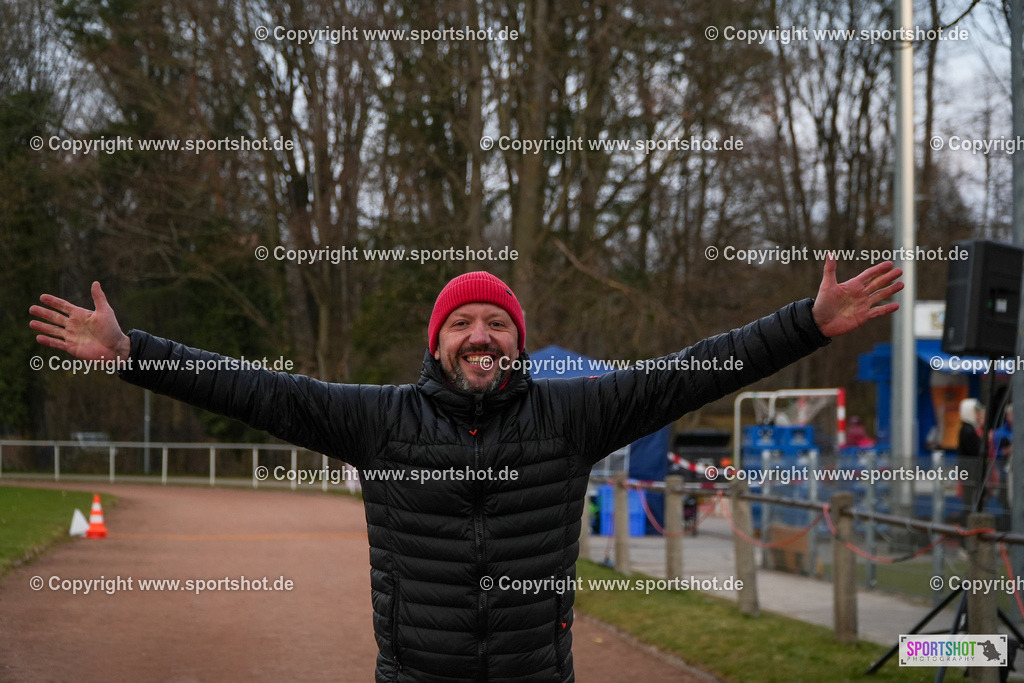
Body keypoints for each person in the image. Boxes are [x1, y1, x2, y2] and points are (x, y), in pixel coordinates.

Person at [29, 256, 902, 682]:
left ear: (518, 342)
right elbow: (255, 390)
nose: (479, 335)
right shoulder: (379, 421)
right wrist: (134, 352)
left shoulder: (574, 414)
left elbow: (696, 366)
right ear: (436, 342)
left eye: (496, 322)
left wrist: (804, 324)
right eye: (461, 323)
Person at [957, 397, 985, 522]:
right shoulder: (968, 430)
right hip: (970, 471)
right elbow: (978, 450)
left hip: (971, 470)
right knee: (971, 499)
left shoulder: (970, 429)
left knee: (975, 498)